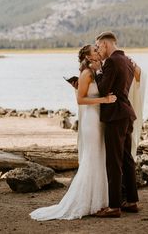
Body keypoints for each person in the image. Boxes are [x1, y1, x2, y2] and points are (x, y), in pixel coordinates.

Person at [30, 45, 116, 220]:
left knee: (100, 157)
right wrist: (105, 100)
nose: (98, 52)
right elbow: (81, 99)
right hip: (91, 119)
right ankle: (86, 201)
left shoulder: (95, 71)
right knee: (92, 158)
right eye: (95, 51)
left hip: (98, 117)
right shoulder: (86, 73)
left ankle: (98, 201)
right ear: (88, 56)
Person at [94, 31, 139, 218]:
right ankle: (132, 200)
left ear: (105, 44)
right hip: (127, 114)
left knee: (113, 161)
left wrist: (97, 72)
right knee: (127, 158)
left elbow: (103, 89)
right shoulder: (128, 60)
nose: (97, 50)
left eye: (98, 47)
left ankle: (114, 206)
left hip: (115, 115)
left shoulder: (111, 62)